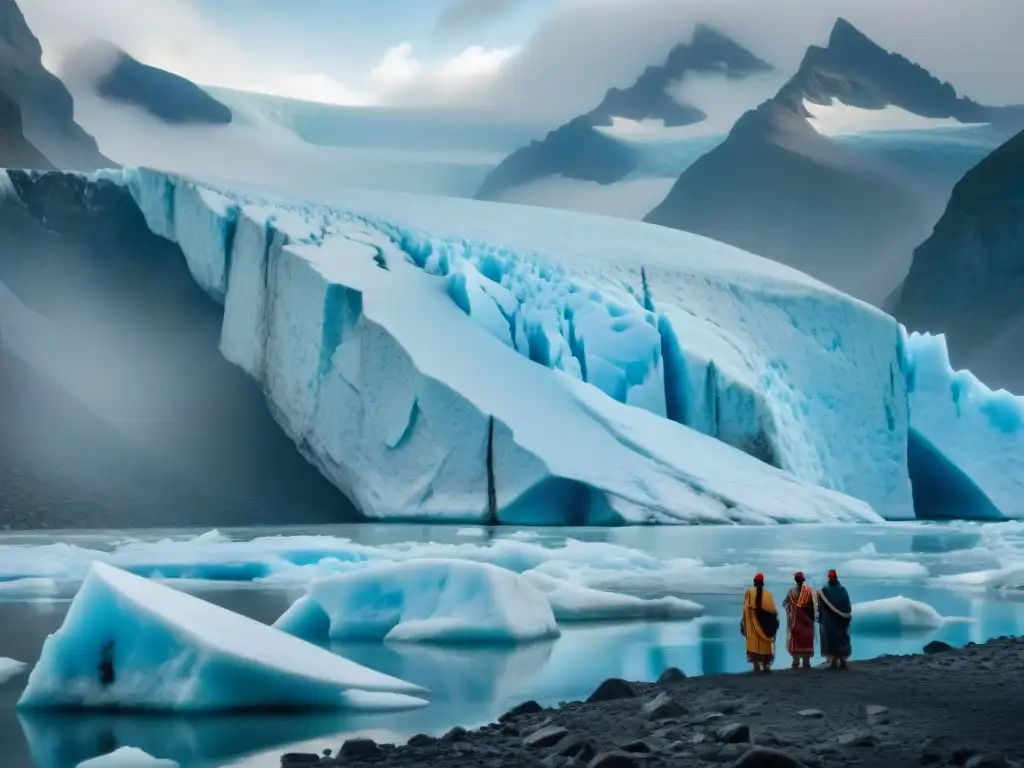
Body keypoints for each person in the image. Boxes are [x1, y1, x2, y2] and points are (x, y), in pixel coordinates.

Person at [740, 573, 779, 674]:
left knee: (754, 644)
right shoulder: (768, 594)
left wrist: (743, 622)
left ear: (754, 582)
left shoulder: (749, 592)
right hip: (766, 626)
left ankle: (756, 666)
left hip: (753, 623)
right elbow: (774, 612)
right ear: (763, 583)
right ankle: (766, 665)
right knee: (765, 645)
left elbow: (745, 609)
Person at [817, 569, 852, 669]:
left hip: (830, 622)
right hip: (841, 621)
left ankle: (836, 660)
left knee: (833, 639)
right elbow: (847, 607)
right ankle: (841, 660)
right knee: (841, 639)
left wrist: (822, 617)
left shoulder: (825, 591)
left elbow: (821, 607)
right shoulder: (843, 590)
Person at [783, 571, 816, 668]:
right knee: (805, 640)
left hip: (796, 621)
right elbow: (814, 606)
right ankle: (805, 661)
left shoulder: (791, 592)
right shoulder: (808, 591)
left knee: (798, 640)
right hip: (806, 622)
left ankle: (796, 661)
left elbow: (785, 604)